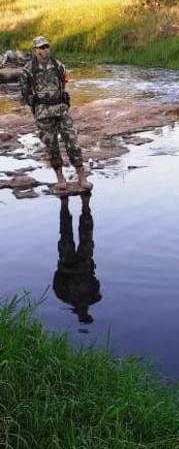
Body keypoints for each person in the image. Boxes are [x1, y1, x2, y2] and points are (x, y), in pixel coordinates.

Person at [20, 36, 92, 191]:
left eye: (46, 46)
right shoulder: (28, 70)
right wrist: (35, 108)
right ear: (35, 50)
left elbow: (64, 84)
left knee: (72, 141)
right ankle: (60, 178)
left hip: (60, 110)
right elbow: (25, 94)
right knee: (52, 146)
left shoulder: (58, 65)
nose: (45, 49)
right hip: (43, 113)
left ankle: (82, 177)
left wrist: (63, 100)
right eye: (41, 47)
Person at [53, 194, 102, 327]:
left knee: (68, 232)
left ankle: (69, 203)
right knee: (81, 233)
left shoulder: (65, 297)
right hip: (81, 264)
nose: (84, 313)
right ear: (88, 313)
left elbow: (56, 280)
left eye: (83, 316)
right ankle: (80, 204)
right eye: (86, 315)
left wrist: (61, 269)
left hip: (69, 264)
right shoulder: (94, 298)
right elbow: (96, 281)